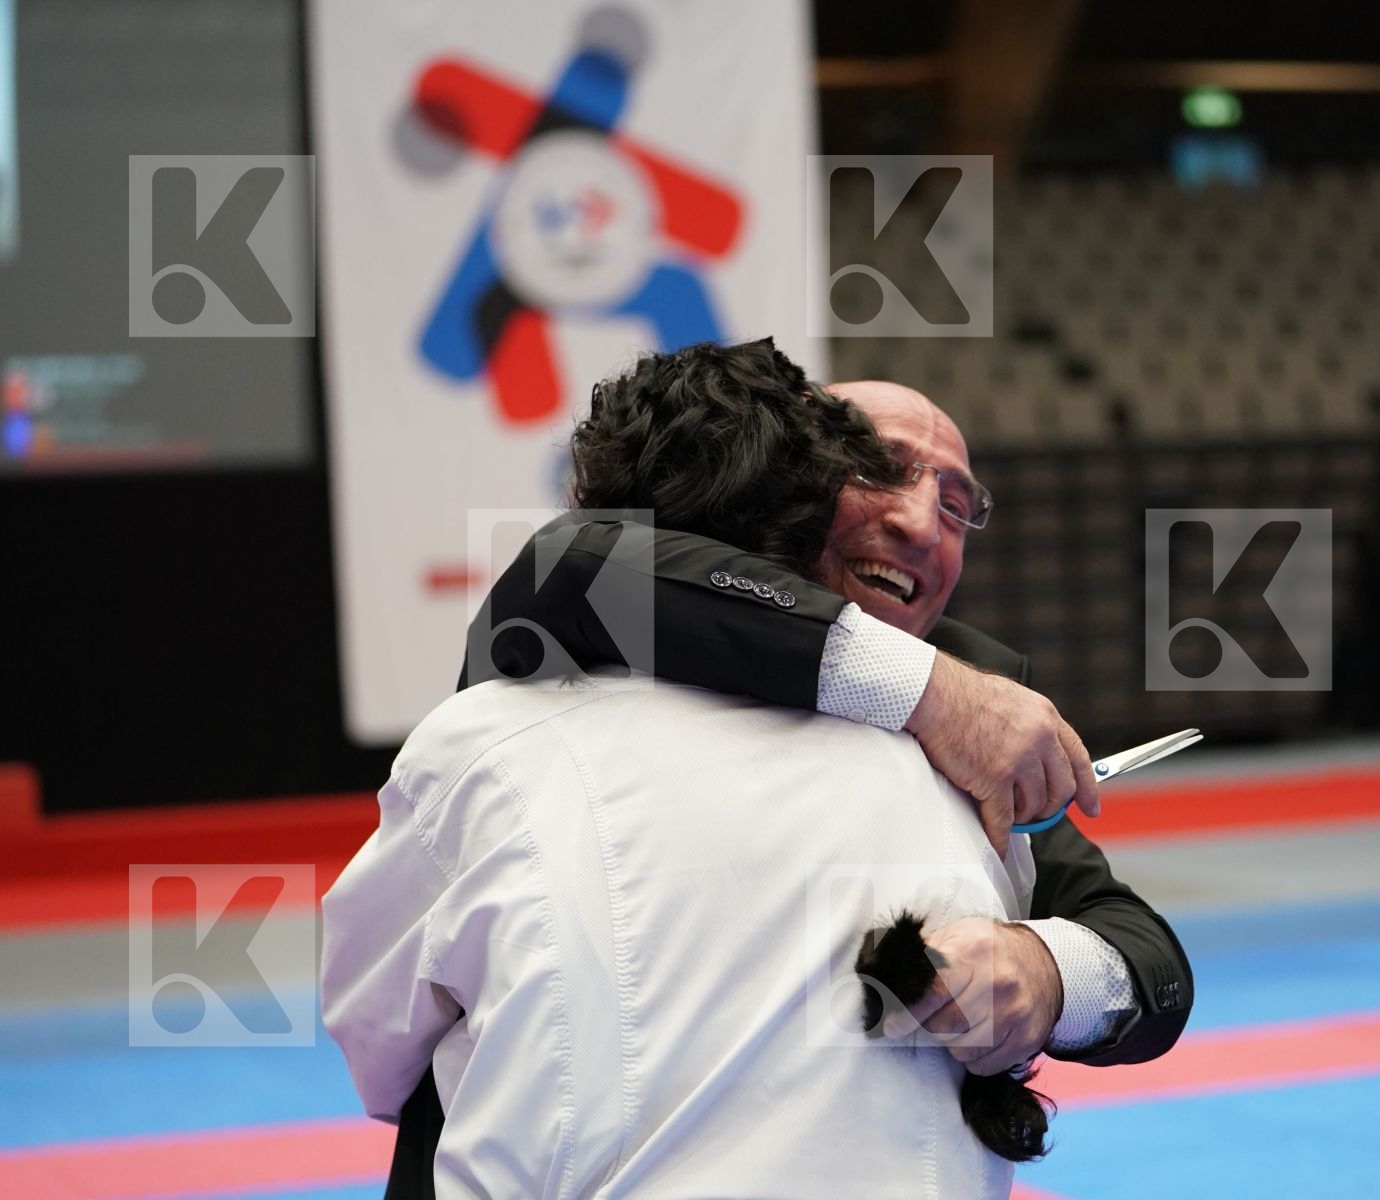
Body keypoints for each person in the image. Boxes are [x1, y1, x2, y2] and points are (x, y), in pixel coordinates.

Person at [384, 360, 1196, 1197]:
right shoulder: (568, 660)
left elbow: (1150, 963)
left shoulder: (978, 738)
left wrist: (1047, 972)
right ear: (785, 490)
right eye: (881, 469)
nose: (923, 522)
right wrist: (933, 694)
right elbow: (574, 565)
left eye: (958, 505)